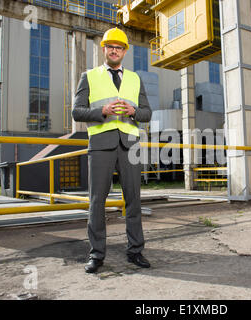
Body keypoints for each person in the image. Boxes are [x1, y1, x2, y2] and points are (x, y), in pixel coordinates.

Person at [72, 28, 152, 273]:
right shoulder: (89, 76)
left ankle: (135, 251)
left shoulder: (135, 79)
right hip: (101, 145)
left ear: (125, 51)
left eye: (119, 47)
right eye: (110, 46)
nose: (114, 50)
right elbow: (77, 111)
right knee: (97, 201)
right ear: (104, 49)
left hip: (129, 145)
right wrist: (102, 111)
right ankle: (96, 255)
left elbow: (147, 112)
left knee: (134, 200)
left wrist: (133, 112)